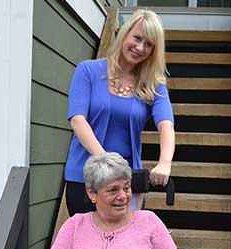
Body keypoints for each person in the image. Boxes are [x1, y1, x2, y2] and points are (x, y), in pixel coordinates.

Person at [65, 9, 175, 215]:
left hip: (126, 185)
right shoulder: (88, 71)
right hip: (84, 179)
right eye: (137, 38)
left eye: (149, 44)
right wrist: (107, 163)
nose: (140, 47)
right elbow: (78, 120)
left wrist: (164, 163)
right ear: (125, 33)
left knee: (122, 245)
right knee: (87, 245)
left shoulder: (153, 84)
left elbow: (166, 125)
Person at [42, 152, 191, 249]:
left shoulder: (148, 221)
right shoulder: (75, 225)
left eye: (126, 188)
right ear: (92, 193)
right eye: (113, 190)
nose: (123, 196)